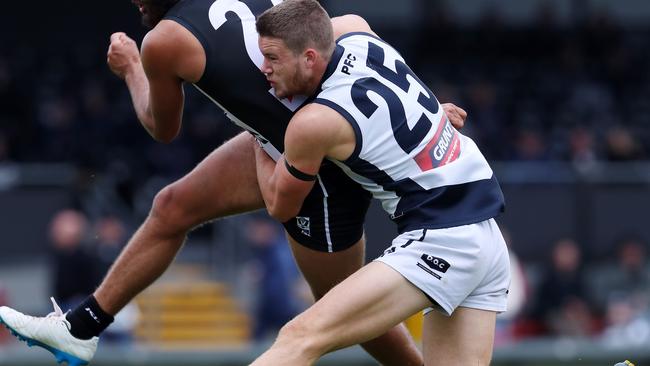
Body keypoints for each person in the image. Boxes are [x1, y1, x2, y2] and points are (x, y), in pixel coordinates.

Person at [0, 1, 468, 365]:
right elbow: (339, 28)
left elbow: (161, 128)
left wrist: (131, 69)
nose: (136, 4)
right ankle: (81, 328)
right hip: (317, 126)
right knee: (173, 207)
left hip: (313, 161)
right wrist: (418, 106)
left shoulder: (162, 40)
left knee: (340, 302)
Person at [249, 1, 509, 364]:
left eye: (273, 58)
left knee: (299, 337)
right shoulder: (357, 31)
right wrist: (435, 109)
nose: (264, 69)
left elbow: (280, 206)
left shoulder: (313, 123)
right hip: (488, 239)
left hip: (443, 238)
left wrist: (253, 129)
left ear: (309, 57)